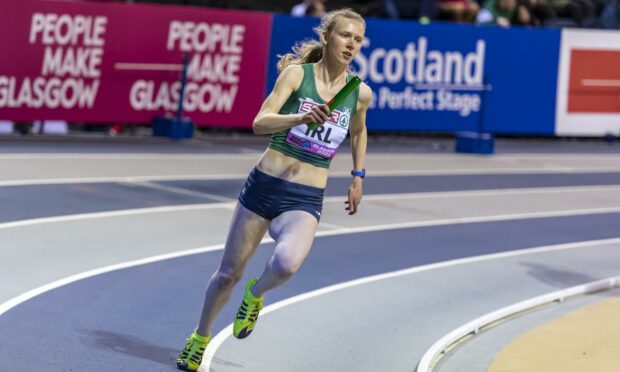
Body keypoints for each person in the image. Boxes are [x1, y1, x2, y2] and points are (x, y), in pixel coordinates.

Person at [176, 8, 372, 372]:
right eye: (345, 35)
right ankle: (199, 338)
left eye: (358, 39)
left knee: (285, 264)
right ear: (327, 37)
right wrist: (299, 117)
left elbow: (358, 131)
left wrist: (358, 175)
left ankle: (255, 295)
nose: (351, 44)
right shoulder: (297, 75)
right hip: (264, 186)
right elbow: (259, 122)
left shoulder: (359, 93)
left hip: (305, 197)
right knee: (227, 274)